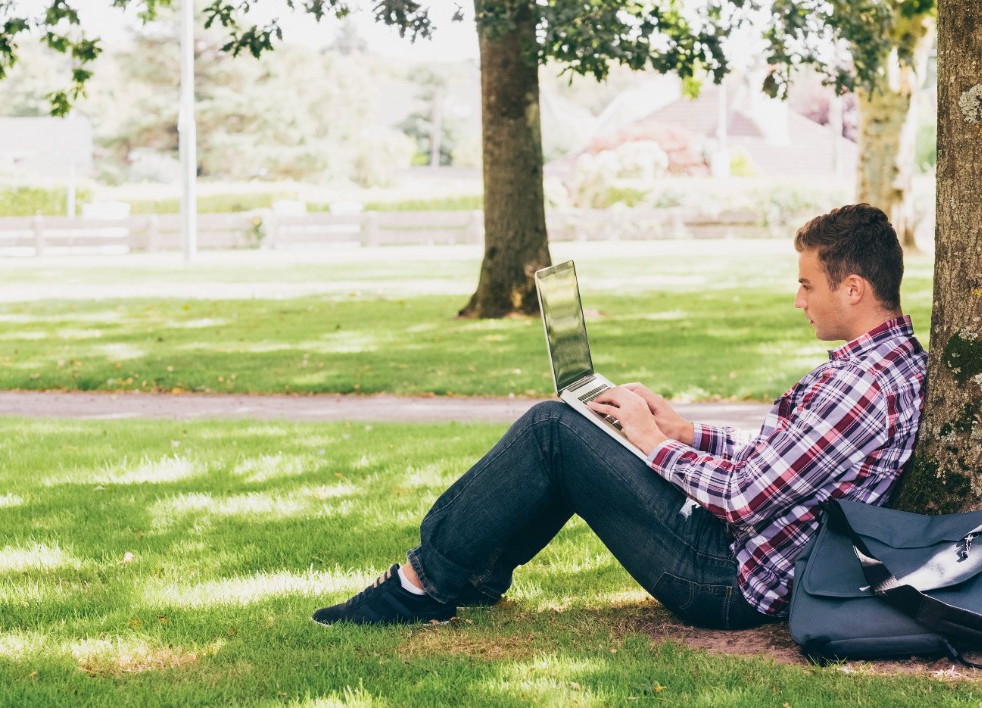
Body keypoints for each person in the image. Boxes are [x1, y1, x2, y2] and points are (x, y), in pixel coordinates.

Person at [313, 203, 928, 629]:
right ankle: (471, 575)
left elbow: (743, 497)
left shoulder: (861, 383)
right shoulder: (892, 360)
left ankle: (419, 585)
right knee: (575, 427)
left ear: (852, 289)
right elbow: (789, 456)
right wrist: (684, 432)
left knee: (555, 429)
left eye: (807, 285)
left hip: (726, 579)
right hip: (743, 553)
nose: (797, 300)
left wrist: (649, 442)